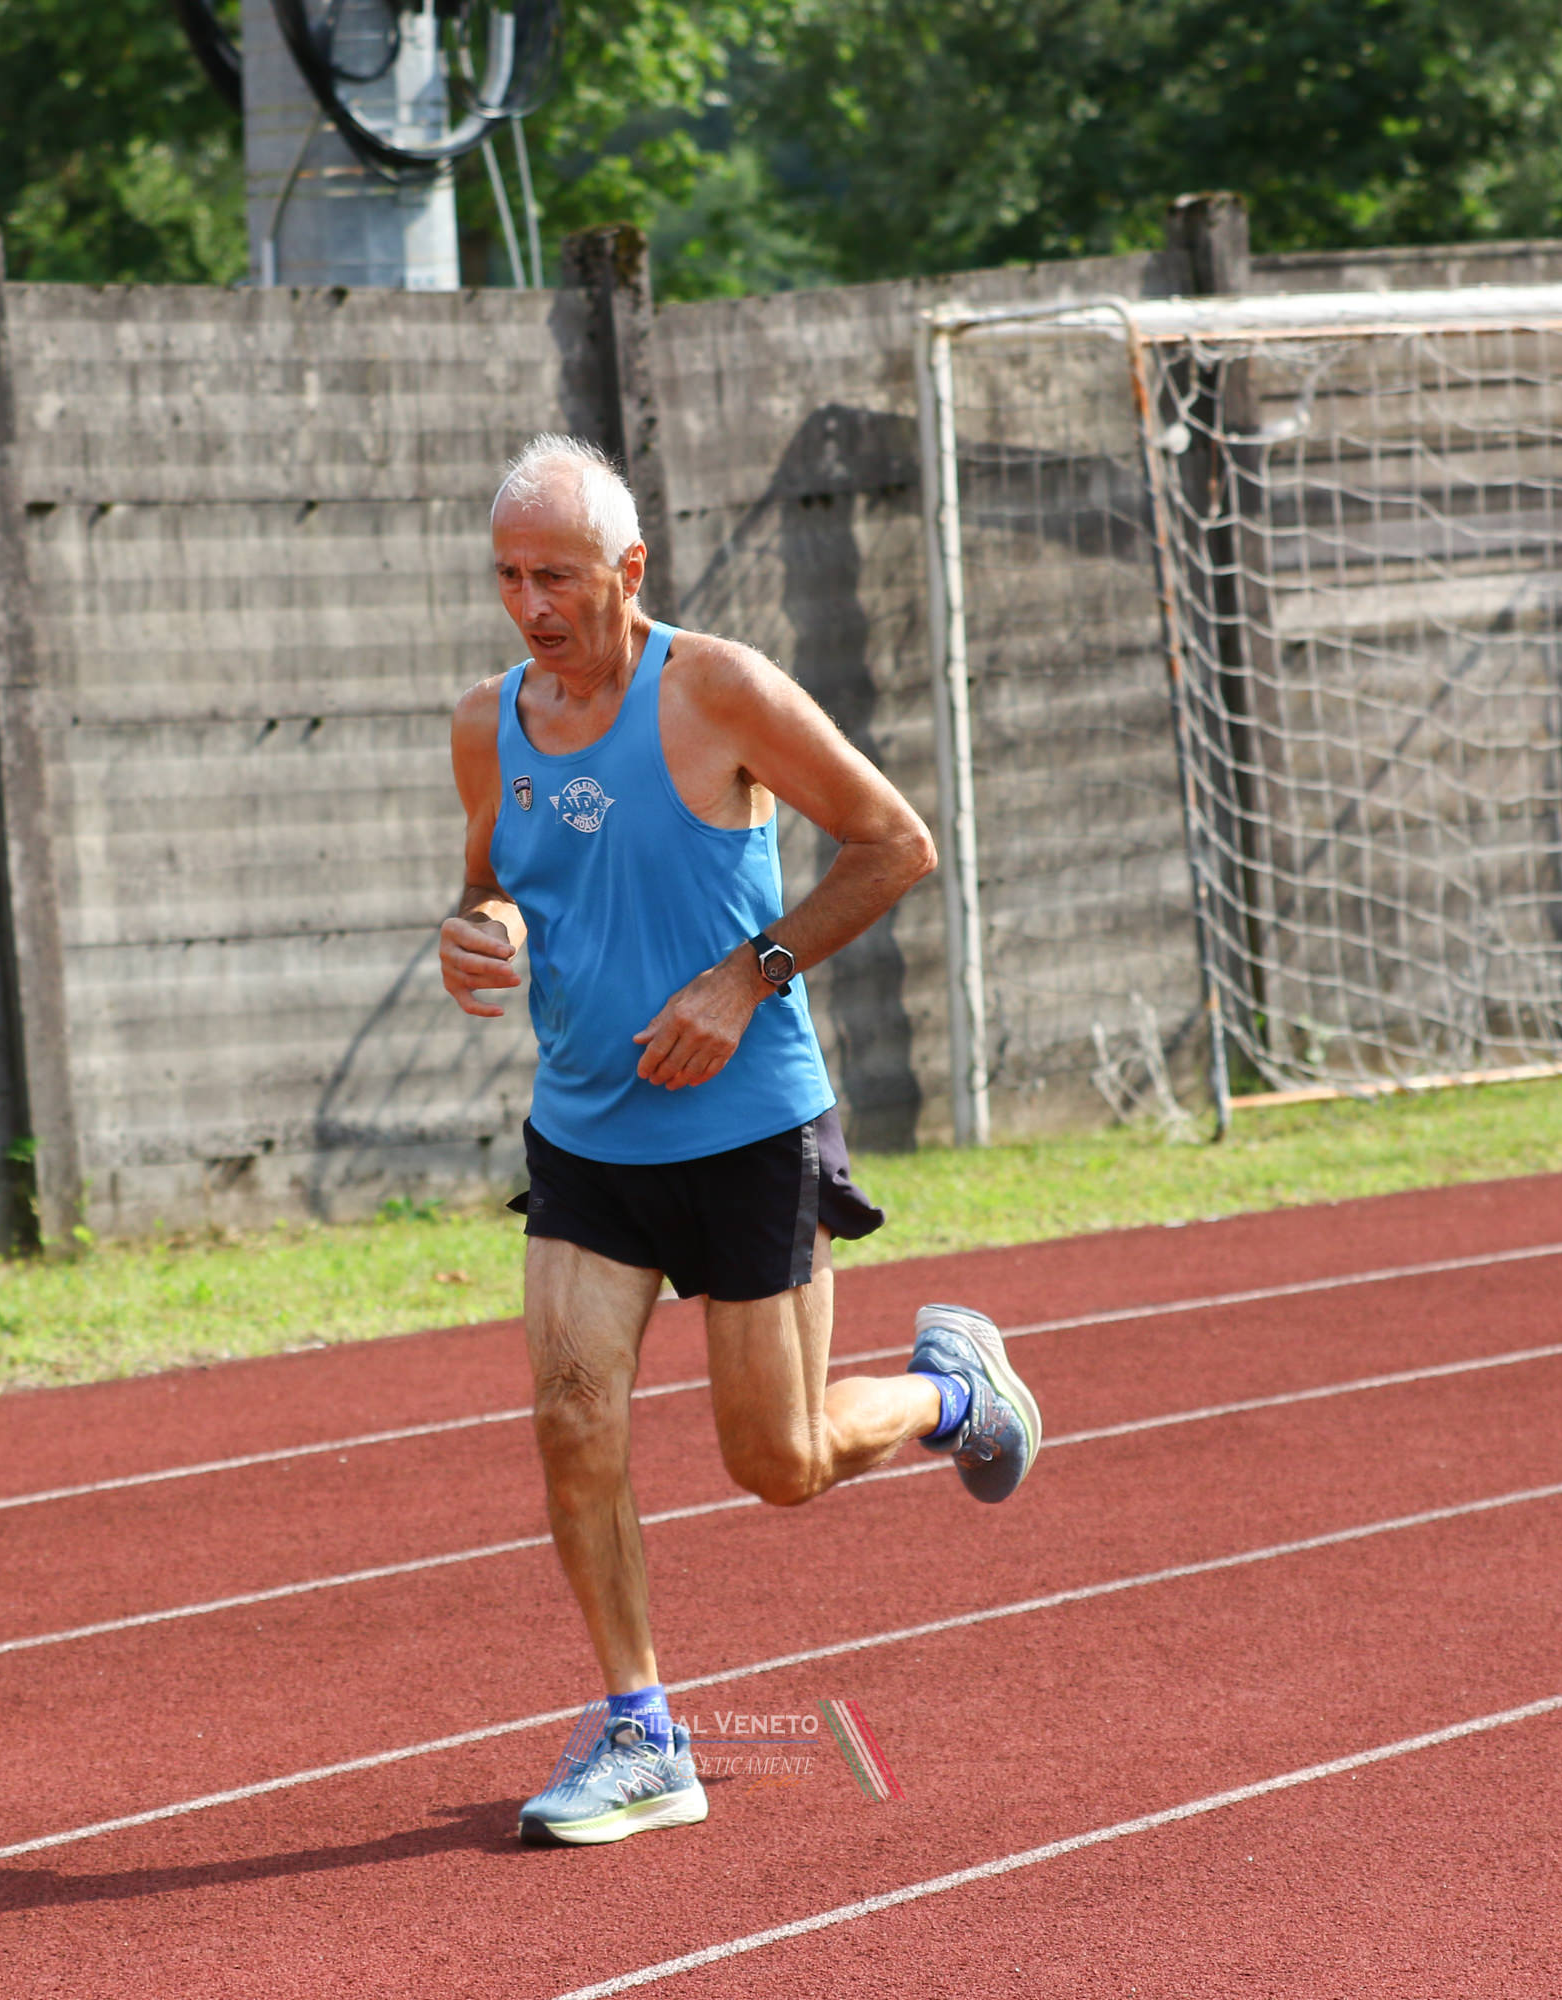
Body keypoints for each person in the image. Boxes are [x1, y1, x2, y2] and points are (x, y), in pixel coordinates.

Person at [439, 434, 1044, 1849]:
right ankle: (643, 1735)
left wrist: (744, 977)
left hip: (747, 1129)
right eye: (509, 577)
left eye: (558, 577)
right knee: (571, 1417)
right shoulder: (487, 724)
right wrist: (484, 933)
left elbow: (894, 842)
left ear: (629, 569)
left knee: (777, 1462)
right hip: (587, 1134)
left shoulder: (714, 689)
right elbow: (492, 882)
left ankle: (953, 1393)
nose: (531, 606)